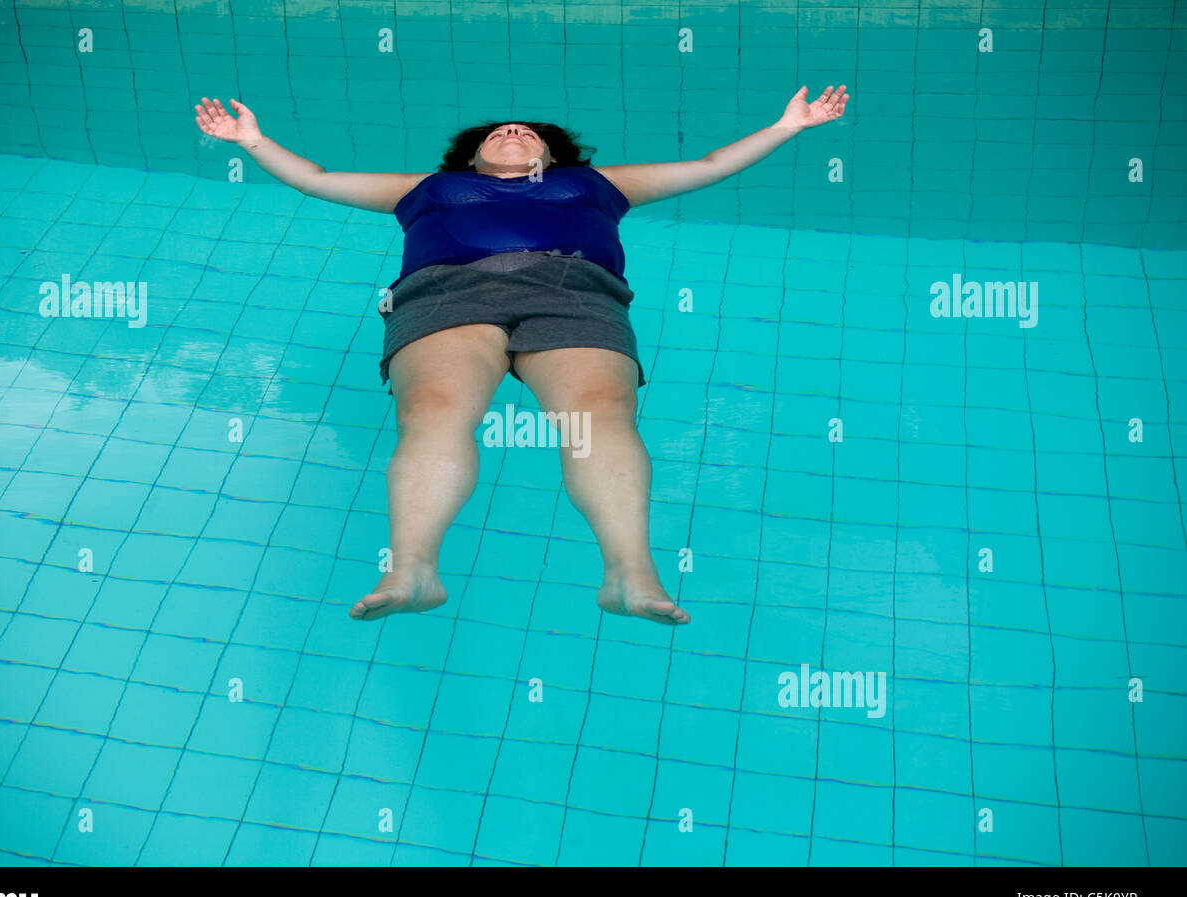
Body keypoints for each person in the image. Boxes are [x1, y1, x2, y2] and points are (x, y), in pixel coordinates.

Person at [194, 85, 849, 625]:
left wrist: (788, 126)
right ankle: (413, 568)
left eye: (527, 131)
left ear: (553, 155)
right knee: (434, 412)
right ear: (472, 158)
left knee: (600, 416)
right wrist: (251, 142)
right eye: (497, 131)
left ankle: (630, 572)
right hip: (445, 292)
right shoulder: (424, 188)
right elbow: (319, 178)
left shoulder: (597, 184)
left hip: (574, 290)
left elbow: (708, 166)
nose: (512, 130)